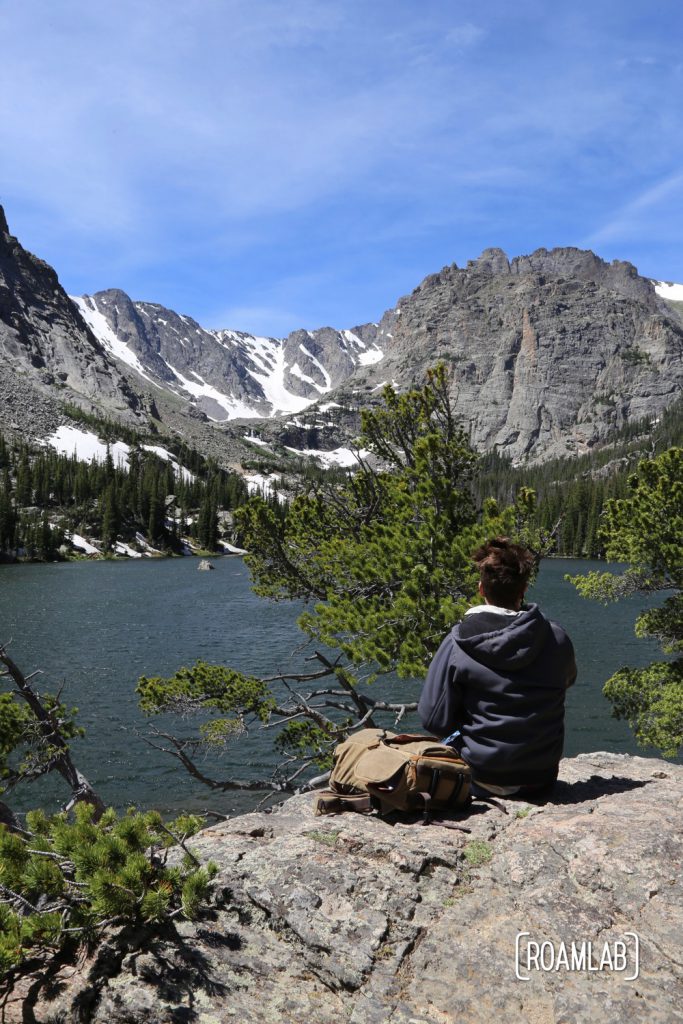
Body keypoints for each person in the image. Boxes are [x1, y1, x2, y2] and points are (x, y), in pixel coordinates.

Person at [418, 537, 576, 798]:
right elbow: (567, 679)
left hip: (480, 777)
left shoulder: (460, 641)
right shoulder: (557, 638)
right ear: (523, 589)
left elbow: (433, 719)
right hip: (541, 779)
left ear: (481, 589)